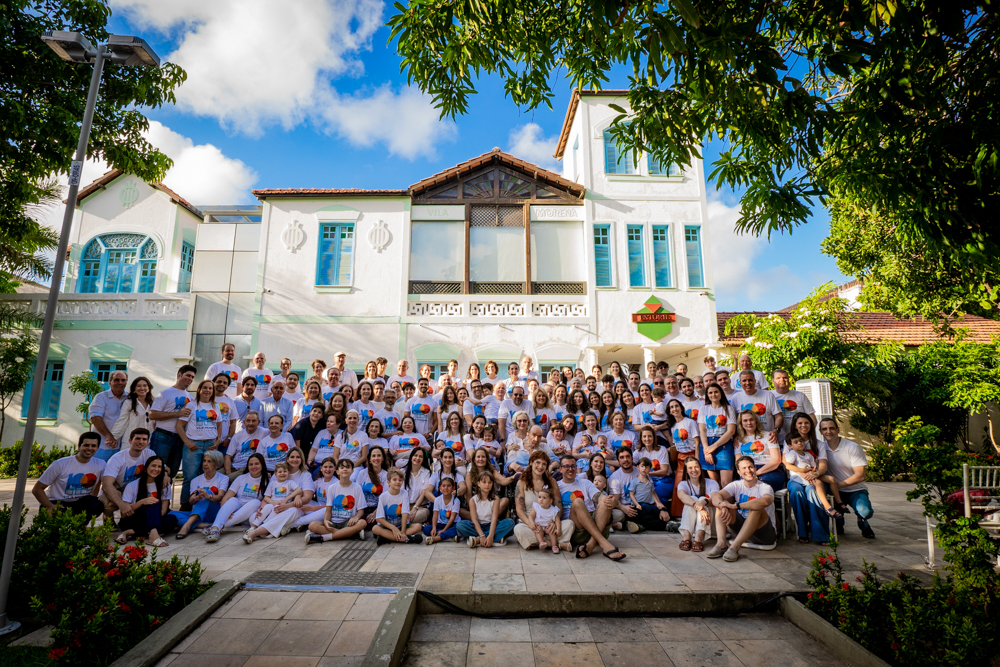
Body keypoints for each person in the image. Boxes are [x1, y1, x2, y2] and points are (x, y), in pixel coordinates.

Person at [708, 456, 777, 561]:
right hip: (741, 529)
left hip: (764, 534)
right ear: (739, 472)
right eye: (744, 468)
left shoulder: (765, 487)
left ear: (755, 468)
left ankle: (734, 548)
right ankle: (721, 544)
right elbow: (716, 496)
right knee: (721, 505)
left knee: (756, 507)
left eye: (750, 467)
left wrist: (736, 505)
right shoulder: (736, 485)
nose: (748, 470)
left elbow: (765, 501)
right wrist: (723, 505)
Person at [557, 455, 621, 559]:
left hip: (596, 523)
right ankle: (604, 544)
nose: (570, 469)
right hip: (577, 528)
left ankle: (591, 544)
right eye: (566, 466)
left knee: (605, 500)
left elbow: (598, 497)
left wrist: (611, 500)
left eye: (573, 466)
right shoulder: (556, 486)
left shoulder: (585, 483)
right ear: (560, 469)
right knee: (577, 501)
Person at [820, 418, 876, 539]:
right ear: (820, 432)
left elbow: (860, 475)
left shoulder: (852, 447)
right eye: (824, 429)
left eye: (831, 428)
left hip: (855, 489)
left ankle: (863, 523)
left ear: (838, 429)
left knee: (864, 511)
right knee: (837, 518)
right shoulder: (821, 449)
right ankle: (839, 523)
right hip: (835, 493)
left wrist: (836, 485)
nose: (828, 431)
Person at [32, 432, 106, 520]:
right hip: (58, 502)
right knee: (57, 525)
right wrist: (49, 506)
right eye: (86, 445)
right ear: (79, 447)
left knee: (96, 505)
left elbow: (100, 484)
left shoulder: (101, 464)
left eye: (93, 446)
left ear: (97, 448)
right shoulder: (60, 464)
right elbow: (37, 489)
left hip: (80, 503)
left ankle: (82, 526)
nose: (89, 448)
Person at [784, 432, 841, 540]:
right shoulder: (791, 453)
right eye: (796, 442)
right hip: (797, 478)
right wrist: (802, 471)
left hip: (810, 476)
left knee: (813, 489)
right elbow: (788, 465)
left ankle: (820, 533)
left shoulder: (810, 452)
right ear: (790, 445)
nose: (800, 443)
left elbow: (816, 466)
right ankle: (803, 531)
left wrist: (812, 472)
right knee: (797, 492)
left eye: (801, 441)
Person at [513, 451, 574, 550]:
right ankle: (556, 544)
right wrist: (531, 524)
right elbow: (519, 509)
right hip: (531, 525)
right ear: (531, 462)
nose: (540, 466)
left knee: (569, 524)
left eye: (544, 464)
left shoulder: (552, 482)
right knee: (518, 529)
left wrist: (554, 523)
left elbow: (558, 507)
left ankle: (536, 543)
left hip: (550, 525)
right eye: (537, 462)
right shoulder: (522, 483)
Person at [177, 379, 224, 502]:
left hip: (211, 445)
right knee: (190, 477)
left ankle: (204, 503)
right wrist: (187, 442)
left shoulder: (215, 406)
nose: (207, 390)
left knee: (209, 476)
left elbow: (219, 425)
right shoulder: (192, 405)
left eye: (210, 388)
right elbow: (179, 425)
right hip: (194, 445)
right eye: (205, 388)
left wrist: (218, 439)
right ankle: (185, 505)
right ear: (199, 390)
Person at [206, 452, 269, 542]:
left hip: (250, 514)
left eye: (256, 464)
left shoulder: (267, 481)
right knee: (233, 499)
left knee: (256, 502)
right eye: (251, 464)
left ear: (262, 465)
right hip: (235, 513)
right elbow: (227, 498)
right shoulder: (241, 478)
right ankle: (215, 529)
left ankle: (216, 526)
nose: (253, 466)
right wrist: (226, 512)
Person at [149, 364, 197, 479]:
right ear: (179, 375)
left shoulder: (189, 397)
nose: (190, 379)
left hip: (179, 439)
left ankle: (165, 496)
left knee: (172, 472)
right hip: (163, 436)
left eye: (192, 377)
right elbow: (152, 414)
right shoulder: (165, 393)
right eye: (188, 375)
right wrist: (177, 414)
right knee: (156, 471)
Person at [116, 455, 176, 547]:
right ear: (146, 467)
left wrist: (153, 519)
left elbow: (163, 510)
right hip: (134, 518)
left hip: (154, 517)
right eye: (153, 466)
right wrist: (142, 502)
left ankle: (129, 532)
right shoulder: (132, 485)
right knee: (153, 502)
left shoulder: (164, 485)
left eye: (159, 467)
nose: (156, 469)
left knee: (172, 519)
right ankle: (153, 536)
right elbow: (125, 512)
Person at [305, 459, 368, 543]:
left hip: (348, 522)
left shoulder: (357, 488)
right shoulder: (332, 487)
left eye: (348, 467)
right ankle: (349, 534)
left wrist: (356, 518)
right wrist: (326, 520)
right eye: (342, 467)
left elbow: (361, 510)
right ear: (337, 471)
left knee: (362, 523)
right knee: (312, 525)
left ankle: (324, 537)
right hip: (333, 522)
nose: (345, 469)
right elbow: (328, 510)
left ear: (352, 471)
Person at [101, 428, 156, 523]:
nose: (141, 442)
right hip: (120, 489)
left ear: (147, 442)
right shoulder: (117, 458)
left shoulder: (149, 454)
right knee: (108, 504)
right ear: (130, 441)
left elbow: (163, 469)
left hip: (139, 489)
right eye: (137, 438)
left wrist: (166, 476)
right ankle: (109, 520)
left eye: (144, 439)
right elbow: (106, 484)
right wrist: (122, 504)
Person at [243, 461, 304, 543]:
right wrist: (273, 503)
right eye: (280, 472)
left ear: (288, 473)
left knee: (284, 510)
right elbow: (266, 497)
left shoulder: (290, 483)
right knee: (269, 507)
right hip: (273, 505)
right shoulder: (272, 484)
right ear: (275, 474)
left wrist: (286, 499)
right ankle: (254, 527)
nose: (282, 473)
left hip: (283, 507)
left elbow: (299, 490)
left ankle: (263, 529)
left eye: (285, 471)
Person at [173, 450, 229, 539]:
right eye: (204, 461)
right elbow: (191, 502)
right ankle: (206, 525)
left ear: (217, 464)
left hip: (213, 512)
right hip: (197, 514)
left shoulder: (223, 478)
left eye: (209, 461)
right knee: (171, 514)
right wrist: (195, 498)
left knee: (208, 492)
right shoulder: (195, 480)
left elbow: (219, 497)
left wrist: (208, 496)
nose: (205, 464)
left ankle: (187, 526)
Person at [457, 473, 514, 547]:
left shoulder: (495, 499)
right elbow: (474, 520)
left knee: (510, 523)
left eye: (490, 482)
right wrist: (481, 535)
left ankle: (479, 540)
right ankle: (495, 538)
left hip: (492, 525)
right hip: (478, 526)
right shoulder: (473, 500)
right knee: (460, 525)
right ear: (478, 484)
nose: (487, 485)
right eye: (484, 482)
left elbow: (494, 518)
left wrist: (490, 535)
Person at [734, 409, 786, 491]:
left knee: (758, 485)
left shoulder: (768, 435)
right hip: (748, 470)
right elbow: (738, 462)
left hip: (770, 470)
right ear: (741, 424)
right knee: (742, 488)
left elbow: (776, 460)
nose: (749, 423)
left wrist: (756, 473)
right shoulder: (738, 440)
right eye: (745, 420)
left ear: (756, 421)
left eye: (751, 419)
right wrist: (749, 473)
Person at [697, 383, 737, 487]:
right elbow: (702, 430)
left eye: (716, 392)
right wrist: (707, 450)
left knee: (726, 484)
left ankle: (728, 503)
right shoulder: (703, 409)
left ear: (721, 393)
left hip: (723, 444)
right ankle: (717, 503)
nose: (713, 394)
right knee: (714, 484)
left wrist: (714, 446)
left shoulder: (728, 409)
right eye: (710, 392)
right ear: (707, 395)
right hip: (707, 444)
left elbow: (731, 431)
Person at [372, 467, 424, 544]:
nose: (398, 482)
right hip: (388, 526)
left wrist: (402, 531)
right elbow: (379, 519)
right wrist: (393, 528)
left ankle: (388, 538)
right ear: (388, 482)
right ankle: (408, 539)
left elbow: (405, 513)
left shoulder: (404, 493)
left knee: (418, 526)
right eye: (394, 480)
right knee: (375, 528)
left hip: (401, 525)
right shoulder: (383, 496)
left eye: (400, 480)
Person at [676, 457, 718, 552]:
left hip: (710, 523)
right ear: (686, 471)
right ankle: (687, 538)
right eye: (690, 468)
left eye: (696, 467)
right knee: (692, 499)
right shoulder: (683, 484)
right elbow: (682, 496)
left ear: (700, 468)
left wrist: (704, 502)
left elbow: (715, 497)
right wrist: (700, 508)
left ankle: (698, 539)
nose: (694, 470)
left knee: (702, 498)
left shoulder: (712, 483)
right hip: (693, 524)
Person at [731, 371, 782, 444]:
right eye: (744, 380)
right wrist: (735, 435)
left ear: (755, 381)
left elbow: (779, 416)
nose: (747, 383)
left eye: (750, 380)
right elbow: (733, 420)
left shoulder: (768, 395)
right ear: (740, 382)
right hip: (745, 441)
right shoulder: (736, 397)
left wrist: (776, 430)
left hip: (767, 439)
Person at [89, 370, 128, 461]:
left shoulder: (130, 397)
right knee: (99, 472)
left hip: (123, 446)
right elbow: (95, 418)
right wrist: (109, 436)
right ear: (110, 382)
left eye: (123, 380)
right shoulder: (101, 397)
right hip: (103, 445)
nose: (120, 382)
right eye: (116, 380)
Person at [628, 457, 671, 532]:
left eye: (647, 467)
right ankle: (663, 525)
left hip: (649, 504)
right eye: (642, 466)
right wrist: (637, 504)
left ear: (650, 469)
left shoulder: (650, 480)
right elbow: (631, 494)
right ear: (638, 467)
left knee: (657, 510)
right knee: (647, 510)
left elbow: (653, 492)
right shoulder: (635, 481)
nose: (644, 469)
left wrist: (658, 503)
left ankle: (662, 523)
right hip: (639, 505)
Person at [771, 369, 815, 442]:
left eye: (785, 378)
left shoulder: (800, 396)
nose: (782, 380)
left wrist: (806, 436)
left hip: (799, 441)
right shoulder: (769, 396)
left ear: (788, 380)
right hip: (776, 441)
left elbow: (812, 418)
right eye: (778, 378)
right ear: (773, 381)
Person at [111, 376, 154, 444]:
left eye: (145, 385)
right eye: (139, 386)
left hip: (149, 441)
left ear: (149, 388)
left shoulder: (154, 403)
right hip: (131, 441)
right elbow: (122, 421)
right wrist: (113, 437)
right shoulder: (129, 403)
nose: (142, 388)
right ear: (134, 389)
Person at [226, 410, 262, 480]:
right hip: (233, 466)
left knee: (225, 480)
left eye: (253, 421)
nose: (250, 423)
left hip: (245, 467)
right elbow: (228, 456)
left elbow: (276, 432)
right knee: (214, 477)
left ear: (259, 422)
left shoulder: (264, 432)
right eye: (248, 421)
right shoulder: (238, 435)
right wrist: (228, 472)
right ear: (244, 422)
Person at [423, 475, 460, 544]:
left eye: (449, 486)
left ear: (453, 488)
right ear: (440, 488)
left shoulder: (456, 501)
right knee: (426, 529)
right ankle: (450, 536)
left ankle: (438, 537)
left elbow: (452, 518)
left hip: (453, 524)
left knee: (457, 528)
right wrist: (434, 528)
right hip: (441, 524)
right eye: (443, 486)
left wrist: (444, 530)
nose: (446, 488)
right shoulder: (437, 500)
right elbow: (435, 516)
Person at [403, 448, 434, 523]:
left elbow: (423, 493)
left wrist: (414, 508)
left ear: (423, 459)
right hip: (404, 506)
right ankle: (406, 525)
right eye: (415, 455)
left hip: (420, 507)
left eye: (420, 456)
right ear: (411, 457)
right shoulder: (403, 471)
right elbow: (400, 493)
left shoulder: (426, 472)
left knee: (421, 515)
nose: (417, 458)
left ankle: (402, 524)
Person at [530, 488, 562, 553]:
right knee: (538, 530)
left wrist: (558, 529)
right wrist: (532, 523)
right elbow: (531, 516)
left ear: (550, 501)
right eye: (539, 497)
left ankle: (554, 546)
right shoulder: (536, 507)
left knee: (552, 531)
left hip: (548, 526)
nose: (541, 499)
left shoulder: (554, 510)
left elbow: (557, 520)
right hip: (539, 525)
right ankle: (541, 542)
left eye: (544, 498)